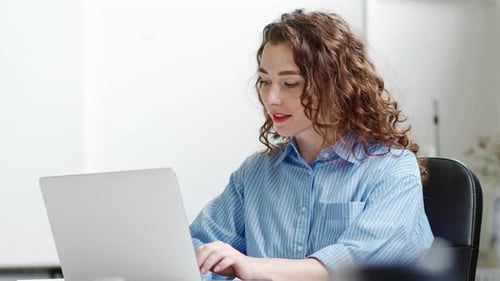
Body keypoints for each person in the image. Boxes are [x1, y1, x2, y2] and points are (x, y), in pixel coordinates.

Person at [190, 9, 434, 281]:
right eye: (265, 81)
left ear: (337, 84)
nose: (271, 98)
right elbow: (196, 251)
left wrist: (252, 266)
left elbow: (351, 267)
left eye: (290, 83)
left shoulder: (393, 171)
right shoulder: (254, 174)